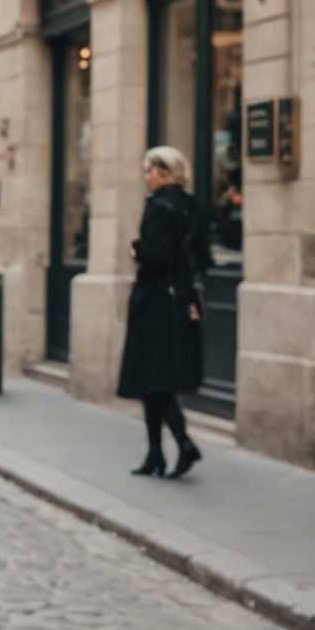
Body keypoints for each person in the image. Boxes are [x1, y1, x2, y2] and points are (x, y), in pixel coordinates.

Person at [117, 145, 204, 479]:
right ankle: (155, 454)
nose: (147, 177)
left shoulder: (159, 207)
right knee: (153, 382)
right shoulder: (191, 207)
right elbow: (201, 258)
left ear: (164, 174)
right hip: (180, 302)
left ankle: (183, 444)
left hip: (154, 303)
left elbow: (155, 256)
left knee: (154, 382)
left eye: (150, 171)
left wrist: (136, 248)